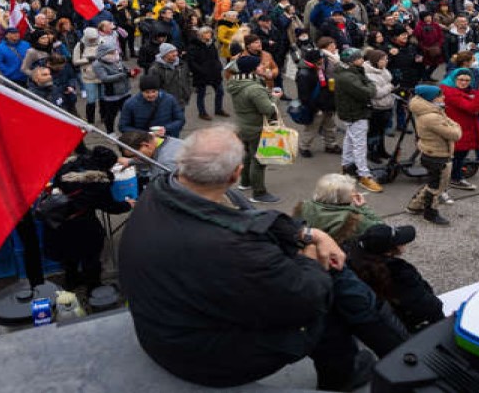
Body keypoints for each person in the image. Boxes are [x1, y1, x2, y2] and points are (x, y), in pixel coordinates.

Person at [118, 125, 389, 391]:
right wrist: (308, 256)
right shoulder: (237, 248)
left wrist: (308, 233)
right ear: (236, 174)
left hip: (162, 329)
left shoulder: (161, 191)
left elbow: (247, 218)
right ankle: (346, 374)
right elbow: (307, 296)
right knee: (321, 311)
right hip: (201, 358)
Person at [44, 146, 132, 291]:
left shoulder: (68, 167)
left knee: (69, 256)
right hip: (82, 223)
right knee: (90, 255)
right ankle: (94, 287)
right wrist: (127, 205)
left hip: (58, 219)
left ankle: (72, 281)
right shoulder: (98, 182)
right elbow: (109, 206)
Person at [346, 224, 444, 334]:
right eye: (399, 242)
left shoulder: (352, 260)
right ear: (388, 251)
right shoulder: (399, 272)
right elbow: (426, 305)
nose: (403, 243)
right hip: (405, 324)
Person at [226, 55, 282, 203]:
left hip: (242, 125)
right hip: (256, 127)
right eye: (260, 65)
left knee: (248, 155)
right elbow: (267, 109)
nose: (263, 66)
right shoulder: (254, 88)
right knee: (259, 160)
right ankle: (259, 193)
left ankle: (245, 182)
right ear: (253, 69)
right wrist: (275, 98)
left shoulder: (236, 82)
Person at [406, 85, 461, 225]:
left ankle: (414, 205)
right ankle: (430, 214)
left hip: (431, 152)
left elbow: (448, 123)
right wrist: (456, 125)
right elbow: (455, 134)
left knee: (433, 183)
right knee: (437, 187)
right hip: (438, 155)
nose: (443, 97)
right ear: (431, 99)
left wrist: (448, 121)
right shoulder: (432, 116)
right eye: (440, 96)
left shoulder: (430, 111)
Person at [333, 48, 384, 193]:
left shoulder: (349, 71)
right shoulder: (348, 77)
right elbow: (369, 92)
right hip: (355, 113)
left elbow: (366, 84)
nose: (362, 60)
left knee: (350, 139)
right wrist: (372, 85)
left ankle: (346, 166)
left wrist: (368, 83)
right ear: (351, 61)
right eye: (359, 58)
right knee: (360, 145)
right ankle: (364, 175)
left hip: (351, 112)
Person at [294, 173, 386, 245]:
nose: (355, 193)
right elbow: (381, 229)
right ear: (341, 199)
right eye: (353, 191)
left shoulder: (304, 206)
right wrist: (363, 207)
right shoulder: (352, 219)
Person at [441, 67, 479, 191]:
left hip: (466, 129)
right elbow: (473, 108)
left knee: (460, 156)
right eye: (461, 79)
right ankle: (454, 179)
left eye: (467, 80)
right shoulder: (451, 93)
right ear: (454, 79)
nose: (464, 82)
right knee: (457, 156)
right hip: (458, 130)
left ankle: (455, 177)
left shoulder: (467, 92)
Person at [297, 42, 340, 158]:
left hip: (326, 104)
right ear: (313, 61)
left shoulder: (318, 69)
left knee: (330, 126)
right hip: (316, 107)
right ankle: (304, 147)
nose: (322, 62)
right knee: (312, 129)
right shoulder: (304, 74)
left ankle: (331, 145)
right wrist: (315, 108)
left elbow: (324, 85)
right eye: (320, 60)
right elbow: (304, 96)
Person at [119, 75, 185, 138]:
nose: (151, 95)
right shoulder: (130, 103)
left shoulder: (170, 99)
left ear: (158, 90)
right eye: (147, 92)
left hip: (167, 137)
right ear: (141, 91)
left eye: (154, 91)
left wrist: (166, 129)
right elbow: (123, 126)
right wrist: (145, 134)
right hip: (142, 141)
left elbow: (180, 120)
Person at [91, 43, 134, 133]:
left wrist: (130, 72)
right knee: (111, 115)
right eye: (111, 52)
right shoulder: (97, 64)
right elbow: (104, 78)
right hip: (112, 95)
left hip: (125, 92)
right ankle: (110, 132)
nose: (114, 54)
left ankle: (128, 131)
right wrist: (122, 75)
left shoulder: (117, 59)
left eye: (114, 51)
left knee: (128, 113)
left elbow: (125, 69)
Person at [186, 26, 226, 120]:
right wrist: (201, 71)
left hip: (214, 73)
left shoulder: (211, 44)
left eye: (210, 33)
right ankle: (202, 113)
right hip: (201, 74)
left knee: (220, 91)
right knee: (201, 94)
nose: (209, 35)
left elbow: (216, 57)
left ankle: (218, 109)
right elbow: (191, 62)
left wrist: (219, 66)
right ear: (201, 35)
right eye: (206, 33)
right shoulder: (194, 46)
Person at [363, 49, 395, 164]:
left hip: (386, 106)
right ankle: (372, 153)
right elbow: (377, 93)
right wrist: (390, 87)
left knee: (381, 131)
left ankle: (381, 150)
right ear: (376, 61)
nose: (386, 61)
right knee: (373, 132)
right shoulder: (369, 75)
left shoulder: (383, 70)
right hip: (376, 108)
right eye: (384, 59)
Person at [147, 43, 192, 115]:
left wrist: (188, 90)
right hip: (166, 103)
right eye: (171, 52)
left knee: (180, 121)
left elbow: (188, 77)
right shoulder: (155, 69)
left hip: (181, 100)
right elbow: (154, 88)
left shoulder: (182, 64)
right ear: (164, 54)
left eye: (175, 51)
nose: (175, 54)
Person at [73, 27, 103, 125]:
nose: (93, 40)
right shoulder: (80, 45)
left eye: (94, 38)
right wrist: (88, 60)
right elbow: (75, 61)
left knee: (103, 98)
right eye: (91, 39)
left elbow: (110, 54)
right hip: (88, 77)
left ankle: (104, 117)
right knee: (91, 99)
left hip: (102, 75)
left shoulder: (102, 42)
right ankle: (90, 121)